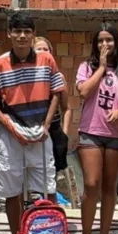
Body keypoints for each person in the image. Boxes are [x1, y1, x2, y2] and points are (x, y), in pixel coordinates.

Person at [0, 13, 65, 234]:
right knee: (12, 192)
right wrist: (10, 127)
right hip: (11, 135)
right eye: (17, 31)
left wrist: (45, 126)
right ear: (9, 33)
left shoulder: (46, 59)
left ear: (33, 34)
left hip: (41, 135)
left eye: (27, 31)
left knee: (48, 189)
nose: (22, 36)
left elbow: (56, 93)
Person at [74, 23, 118, 234]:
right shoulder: (86, 66)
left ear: (116, 42)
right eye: (100, 41)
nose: (105, 44)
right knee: (91, 184)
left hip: (115, 135)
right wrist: (102, 67)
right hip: (91, 132)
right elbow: (84, 91)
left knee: (109, 186)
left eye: (109, 40)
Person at [33, 37, 72, 184]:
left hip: (54, 132)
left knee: (52, 177)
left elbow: (66, 108)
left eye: (46, 49)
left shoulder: (58, 77)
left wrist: (65, 133)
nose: (43, 52)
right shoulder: (28, 76)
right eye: (39, 49)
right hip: (33, 130)